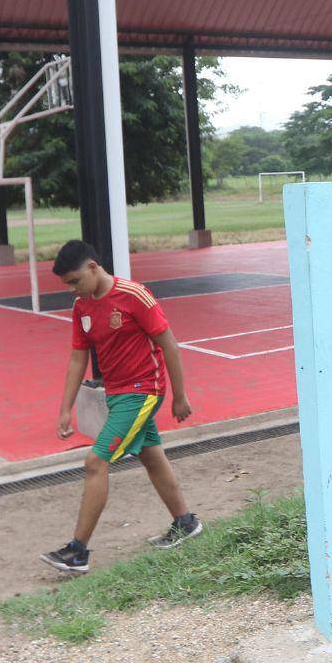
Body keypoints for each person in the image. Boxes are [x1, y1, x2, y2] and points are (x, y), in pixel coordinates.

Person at [40, 240, 202, 574]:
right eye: (67, 285)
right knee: (151, 455)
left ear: (93, 268)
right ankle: (185, 522)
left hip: (144, 390)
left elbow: (169, 345)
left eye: (74, 281)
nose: (72, 290)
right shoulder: (82, 308)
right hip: (117, 394)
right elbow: (77, 359)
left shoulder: (134, 296)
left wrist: (180, 396)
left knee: (96, 461)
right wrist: (64, 408)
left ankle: (77, 551)